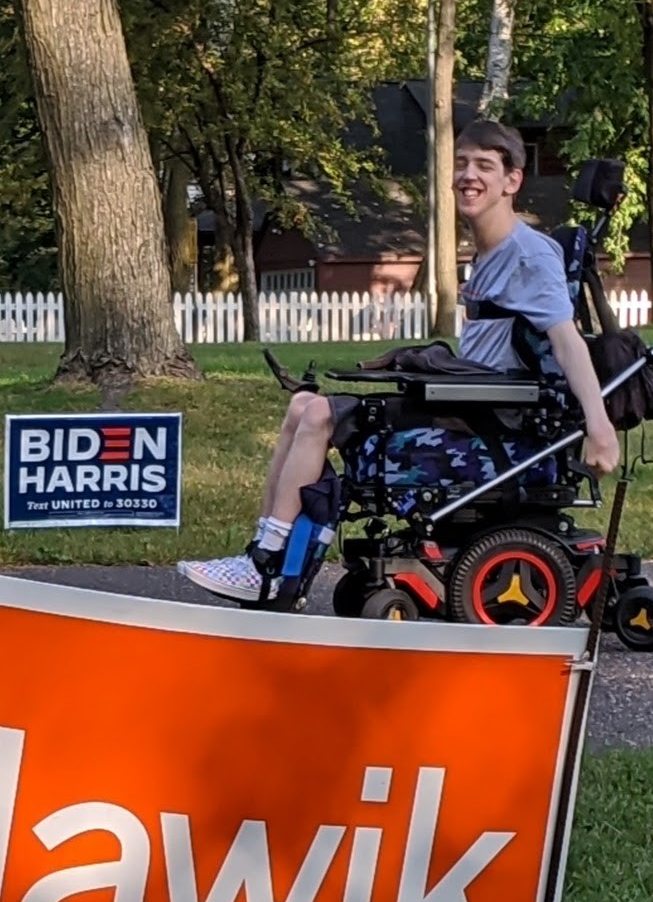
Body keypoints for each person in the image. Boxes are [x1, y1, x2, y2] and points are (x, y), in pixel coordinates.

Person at [179, 118, 622, 604]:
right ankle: (264, 558)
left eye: (484, 166)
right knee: (304, 406)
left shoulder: (528, 256)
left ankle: (267, 568)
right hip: (472, 405)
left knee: (322, 415)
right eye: (460, 164)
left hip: (496, 425)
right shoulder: (492, 251)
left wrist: (598, 429)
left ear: (512, 180)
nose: (467, 175)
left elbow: (568, 341)